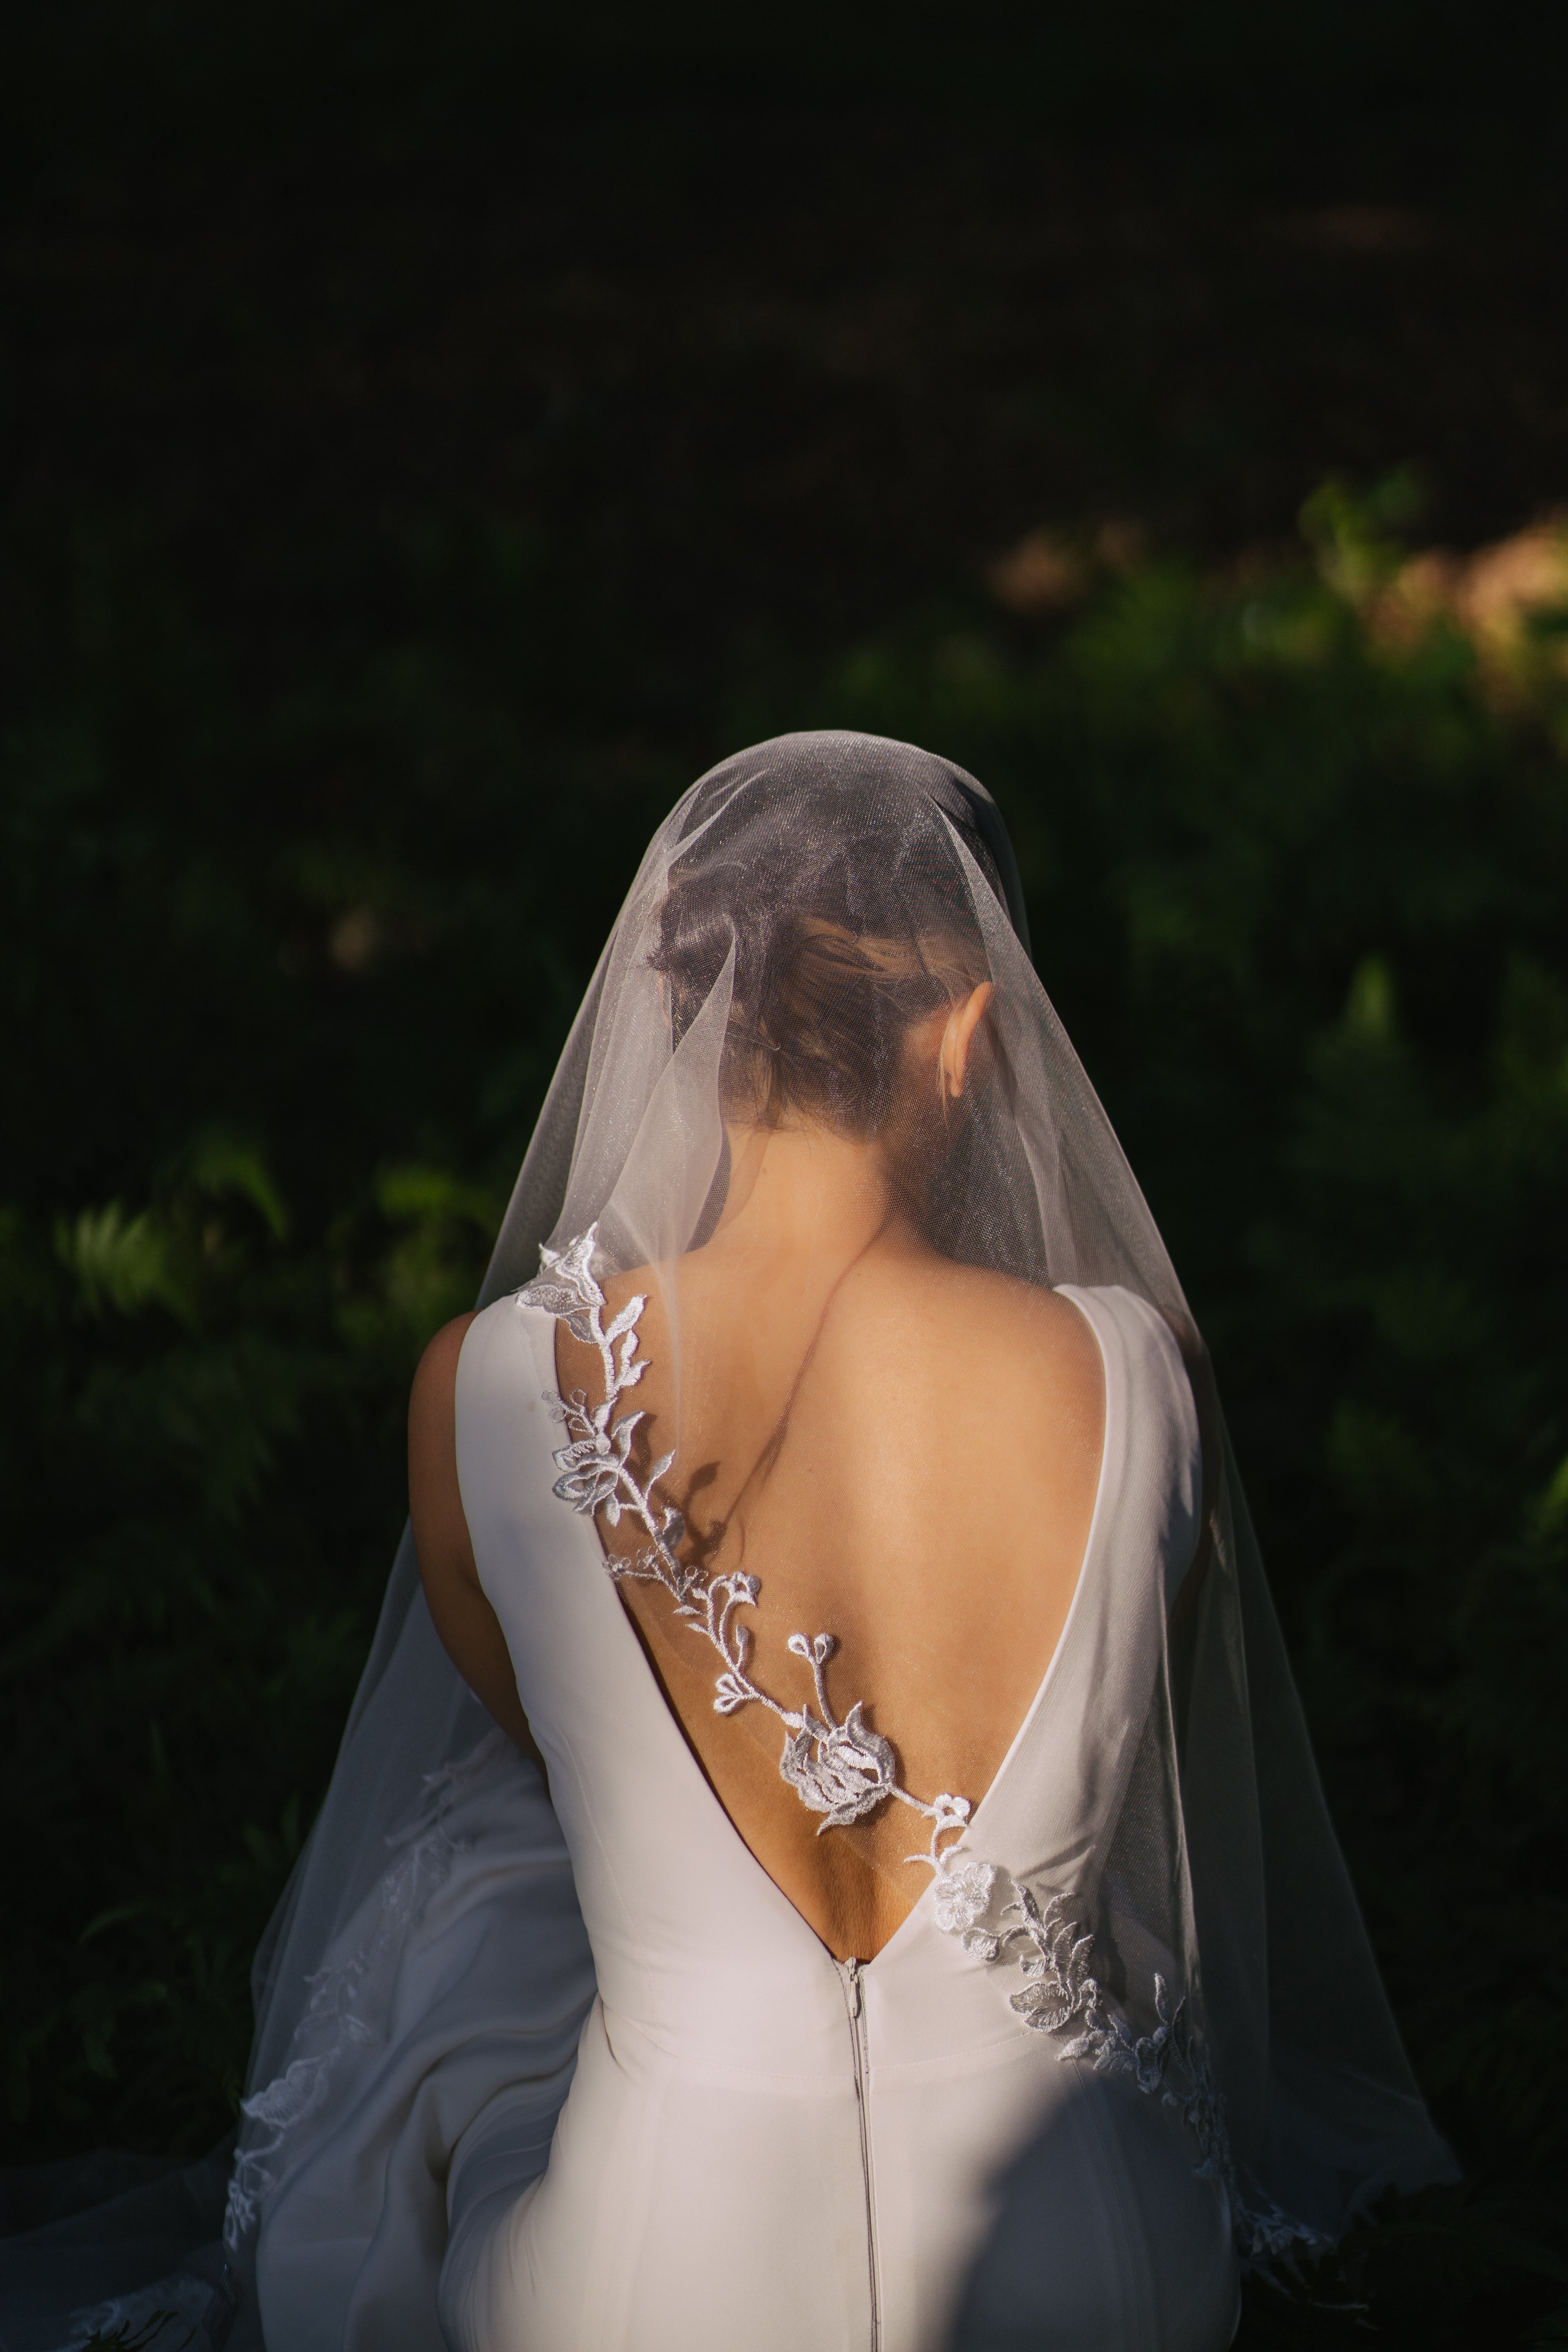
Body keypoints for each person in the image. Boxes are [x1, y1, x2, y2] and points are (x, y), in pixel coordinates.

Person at [3, 734, 1454, 2352]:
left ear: (678, 1023)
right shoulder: (1136, 1374)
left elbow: (537, 1748)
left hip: (659, 2281)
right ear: (972, 1031)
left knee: (498, 1906)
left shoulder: (486, 1390)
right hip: (1086, 2265)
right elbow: (1141, 1748)